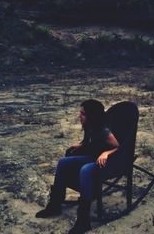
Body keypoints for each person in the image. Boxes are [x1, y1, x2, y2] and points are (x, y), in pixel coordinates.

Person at [35, 99, 120, 234]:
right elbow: (93, 143)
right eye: (80, 113)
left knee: (85, 170)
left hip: (106, 162)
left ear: (92, 116)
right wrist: (82, 145)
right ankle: (55, 204)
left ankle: (83, 221)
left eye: (83, 114)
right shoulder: (90, 127)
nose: (79, 116)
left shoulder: (103, 131)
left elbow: (118, 147)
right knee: (63, 162)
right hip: (93, 157)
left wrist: (106, 153)